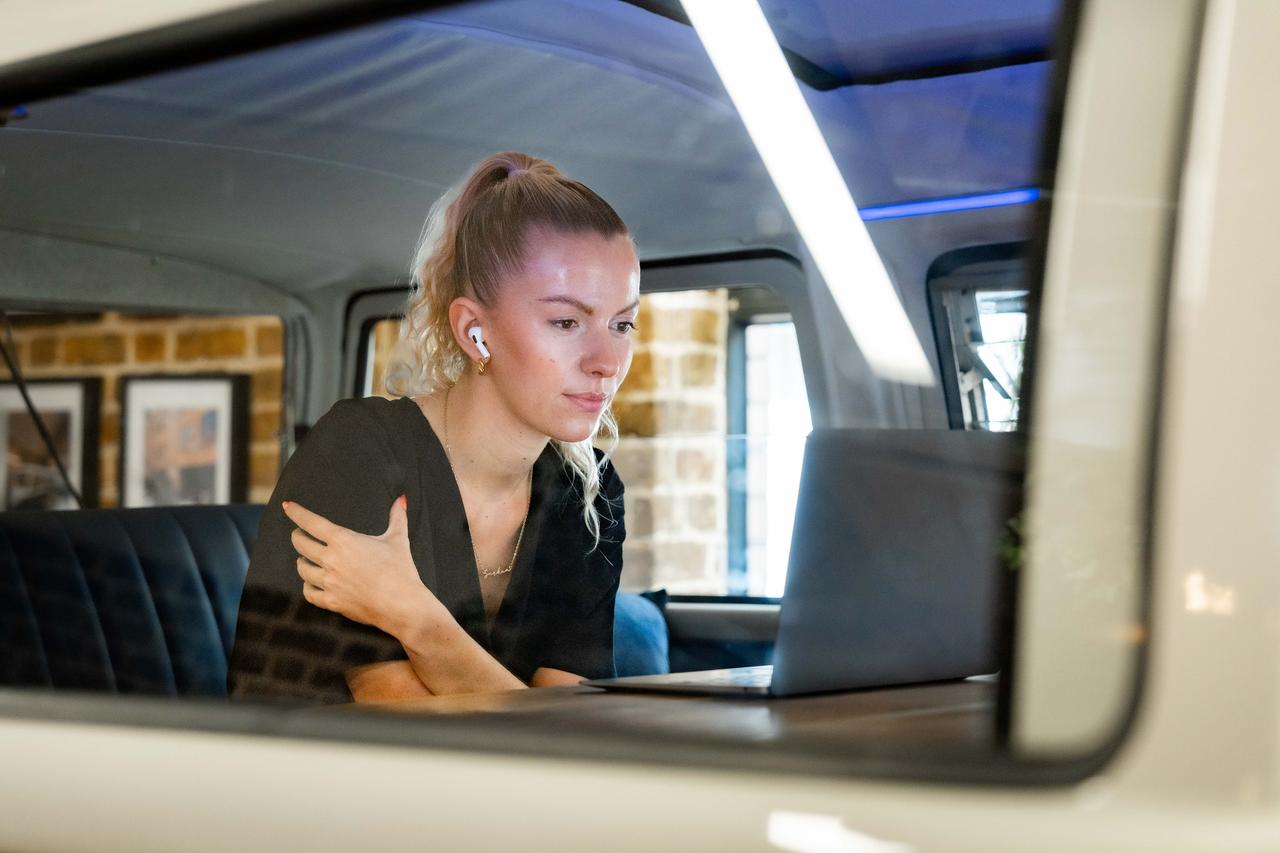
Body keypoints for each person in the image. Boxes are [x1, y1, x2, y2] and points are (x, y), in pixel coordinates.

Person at [227, 151, 638, 704]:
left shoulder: (588, 494)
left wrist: (411, 613)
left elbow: (570, 728)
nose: (607, 361)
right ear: (475, 332)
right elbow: (407, 722)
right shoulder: (357, 452)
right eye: (566, 322)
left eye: (622, 323)